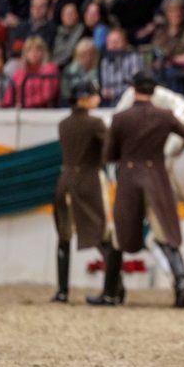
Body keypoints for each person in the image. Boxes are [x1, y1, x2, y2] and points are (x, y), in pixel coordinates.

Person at [100, 70, 184, 307]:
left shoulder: (120, 118)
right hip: (156, 178)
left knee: (119, 235)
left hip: (128, 179)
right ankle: (181, 284)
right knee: (165, 234)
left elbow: (109, 154)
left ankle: (110, 292)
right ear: (154, 91)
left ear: (133, 89)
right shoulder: (165, 115)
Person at [52, 80, 123, 304]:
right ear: (83, 99)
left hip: (64, 181)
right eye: (93, 95)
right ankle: (114, 288)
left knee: (64, 236)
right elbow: (109, 150)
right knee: (102, 235)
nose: (98, 98)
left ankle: (62, 291)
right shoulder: (95, 123)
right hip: (88, 181)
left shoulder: (63, 124)